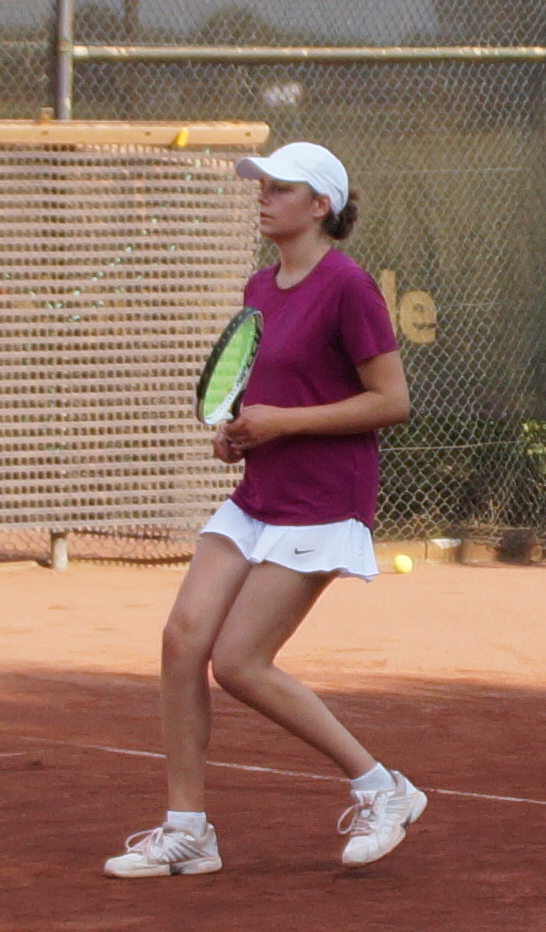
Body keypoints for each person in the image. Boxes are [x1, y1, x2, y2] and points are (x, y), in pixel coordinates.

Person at [105, 141, 425, 876]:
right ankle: (188, 831)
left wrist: (284, 423)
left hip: (323, 503)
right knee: (182, 640)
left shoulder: (348, 288)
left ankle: (384, 788)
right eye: (262, 185)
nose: (263, 197)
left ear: (320, 205)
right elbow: (262, 388)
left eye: (280, 188)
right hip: (258, 497)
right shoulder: (259, 286)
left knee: (240, 662)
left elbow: (392, 400)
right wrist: (238, 432)